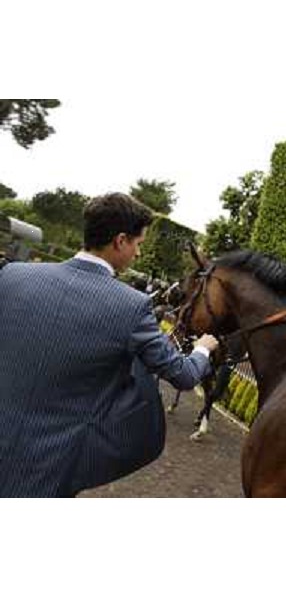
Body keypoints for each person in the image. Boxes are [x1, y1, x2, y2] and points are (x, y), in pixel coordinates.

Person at [0, 192, 218, 497]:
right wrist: (203, 349)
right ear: (120, 241)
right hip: (49, 465)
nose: (139, 254)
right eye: (139, 244)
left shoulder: (13, 275)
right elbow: (182, 375)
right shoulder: (131, 306)